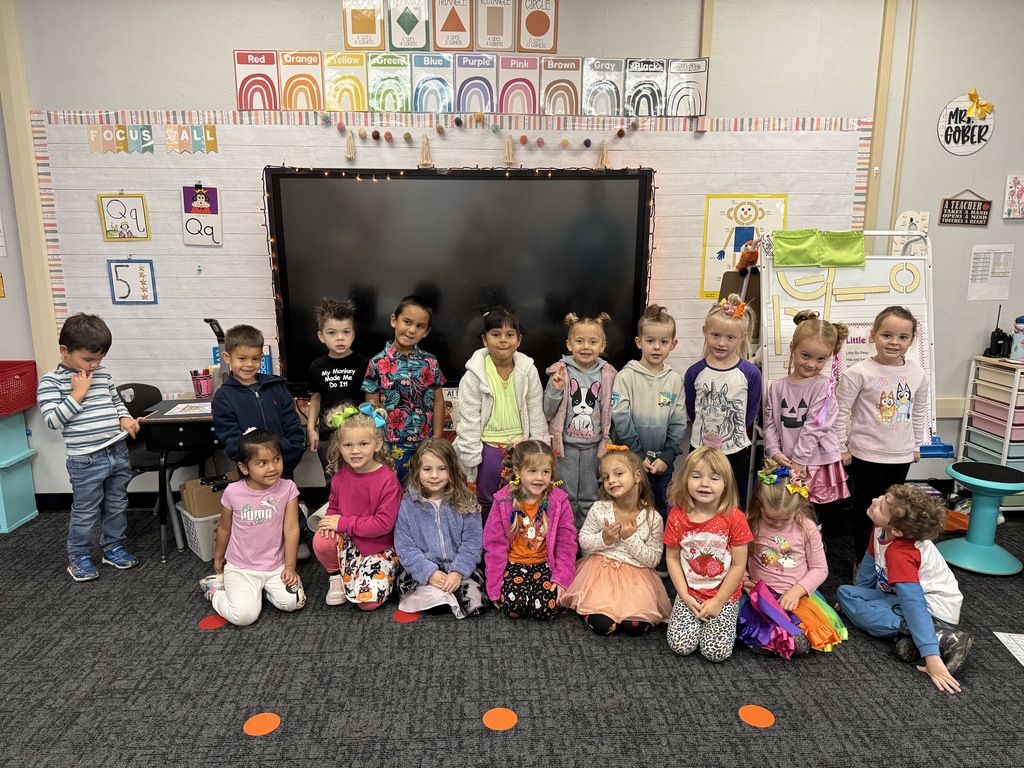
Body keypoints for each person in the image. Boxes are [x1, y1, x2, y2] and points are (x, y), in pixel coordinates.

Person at [837, 485, 972, 694]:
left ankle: (940, 638)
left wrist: (932, 657)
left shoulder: (902, 554)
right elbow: (868, 567)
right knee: (846, 593)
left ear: (897, 531)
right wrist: (859, 598)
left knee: (864, 613)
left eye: (880, 506)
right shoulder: (880, 528)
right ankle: (907, 639)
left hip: (932, 611)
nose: (874, 499)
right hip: (898, 598)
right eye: (882, 496)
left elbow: (914, 604)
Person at [38, 313, 141, 581]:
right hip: (85, 459)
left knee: (117, 504)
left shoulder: (102, 373)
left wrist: (125, 417)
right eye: (88, 359)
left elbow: (115, 401)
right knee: (85, 511)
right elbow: (52, 420)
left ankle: (113, 548)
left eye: (99, 359)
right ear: (65, 351)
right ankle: (79, 556)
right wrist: (77, 394)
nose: (94, 365)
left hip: (116, 451)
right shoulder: (51, 381)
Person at [835, 306, 929, 562]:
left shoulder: (917, 374)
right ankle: (863, 562)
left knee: (894, 511)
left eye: (902, 337)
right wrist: (842, 447)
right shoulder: (857, 373)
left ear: (911, 340)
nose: (894, 342)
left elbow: (918, 410)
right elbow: (840, 412)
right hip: (866, 454)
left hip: (900, 455)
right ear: (873, 335)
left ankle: (887, 561)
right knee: (868, 509)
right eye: (887, 335)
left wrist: (916, 445)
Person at [212, 323, 309, 556]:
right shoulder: (224, 397)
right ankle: (264, 545)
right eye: (242, 358)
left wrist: (286, 454)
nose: (249, 365)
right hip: (252, 468)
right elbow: (230, 438)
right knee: (256, 509)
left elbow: (293, 426)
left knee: (287, 501)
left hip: (281, 460)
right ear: (227, 357)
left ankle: (298, 537)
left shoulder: (276, 387)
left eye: (255, 359)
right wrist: (253, 465)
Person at [739, 459, 847, 657]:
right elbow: (737, 556)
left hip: (797, 597)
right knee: (739, 620)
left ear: (798, 508)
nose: (777, 523)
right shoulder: (750, 522)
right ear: (759, 504)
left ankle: (783, 639)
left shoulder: (807, 528)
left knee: (803, 631)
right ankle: (772, 639)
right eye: (771, 518)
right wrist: (744, 577)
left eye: (784, 519)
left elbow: (820, 569)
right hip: (759, 594)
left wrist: (797, 591)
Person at [198, 429, 306, 625]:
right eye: (262, 463)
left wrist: (290, 567)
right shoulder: (233, 492)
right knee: (244, 617)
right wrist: (219, 556)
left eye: (276, 459)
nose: (272, 468)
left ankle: (258, 592)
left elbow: (291, 529)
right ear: (244, 467)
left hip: (275, 565)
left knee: (295, 602)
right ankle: (215, 590)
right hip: (242, 567)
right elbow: (224, 528)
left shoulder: (288, 488)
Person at [560, 447, 671, 635]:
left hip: (637, 578)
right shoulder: (599, 508)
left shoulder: (653, 518)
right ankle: (598, 611)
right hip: (600, 572)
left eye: (618, 473)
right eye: (605, 477)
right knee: (604, 625)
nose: (611, 481)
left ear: (637, 476)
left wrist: (631, 538)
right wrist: (605, 538)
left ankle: (629, 615)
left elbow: (653, 560)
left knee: (634, 627)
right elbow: (584, 541)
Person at [454, 306, 548, 521]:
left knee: (520, 497)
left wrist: (539, 450)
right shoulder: (473, 376)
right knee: (486, 498)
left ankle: (516, 545)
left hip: (520, 447)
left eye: (509, 335)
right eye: (496, 335)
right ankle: (489, 545)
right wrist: (470, 457)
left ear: (519, 340)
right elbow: (469, 420)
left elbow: (535, 412)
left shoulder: (528, 371)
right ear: (485, 340)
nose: (503, 340)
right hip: (488, 447)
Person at [663, 447, 753, 662]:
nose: (704, 483)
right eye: (696, 476)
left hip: (724, 595)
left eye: (714, 478)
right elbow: (672, 558)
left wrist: (719, 601)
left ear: (726, 485)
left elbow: (739, 565)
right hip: (690, 593)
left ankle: (729, 617)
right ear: (685, 479)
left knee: (715, 654)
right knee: (681, 646)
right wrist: (684, 596)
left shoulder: (735, 517)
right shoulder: (677, 515)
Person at [313, 402, 402, 611]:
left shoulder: (387, 480)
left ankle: (389, 572)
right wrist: (331, 521)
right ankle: (335, 575)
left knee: (368, 605)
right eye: (348, 445)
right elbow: (334, 507)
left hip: (379, 546)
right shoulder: (340, 476)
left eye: (363, 444)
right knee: (321, 538)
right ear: (339, 447)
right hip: (349, 540)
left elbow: (383, 525)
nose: (355, 451)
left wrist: (342, 523)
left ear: (377, 445)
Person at [763, 310, 851, 520]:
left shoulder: (823, 387)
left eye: (821, 359)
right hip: (785, 460)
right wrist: (774, 450)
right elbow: (770, 424)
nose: (812, 364)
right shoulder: (776, 388)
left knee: (814, 516)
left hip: (815, 462)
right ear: (793, 348)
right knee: (787, 513)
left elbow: (815, 426)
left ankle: (813, 550)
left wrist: (800, 460)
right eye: (806, 356)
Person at [482, 440, 578, 620]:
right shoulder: (503, 501)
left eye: (545, 472)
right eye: (532, 471)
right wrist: (494, 586)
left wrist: (561, 578)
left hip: (545, 565)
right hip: (514, 565)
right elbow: (494, 545)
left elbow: (567, 542)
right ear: (517, 471)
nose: (539, 478)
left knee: (545, 610)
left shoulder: (559, 501)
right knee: (514, 608)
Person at [610, 304, 687, 525]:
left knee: (659, 509)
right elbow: (621, 418)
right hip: (629, 462)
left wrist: (667, 456)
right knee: (627, 507)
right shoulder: (626, 376)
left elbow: (679, 422)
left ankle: (658, 556)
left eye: (663, 342)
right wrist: (638, 454)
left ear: (673, 344)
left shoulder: (675, 380)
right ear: (638, 342)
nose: (656, 347)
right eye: (650, 341)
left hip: (661, 465)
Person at [394, 438, 487, 618]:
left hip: (459, 565)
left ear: (452, 469)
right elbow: (405, 547)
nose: (434, 475)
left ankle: (447, 596)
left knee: (474, 599)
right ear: (417, 471)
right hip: (425, 566)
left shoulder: (466, 501)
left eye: (442, 469)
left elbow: (473, 542)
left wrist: (458, 571)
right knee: (409, 584)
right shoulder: (407, 504)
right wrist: (429, 573)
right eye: (427, 469)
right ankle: (439, 598)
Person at [684, 295, 761, 504]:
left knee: (729, 499)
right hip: (700, 448)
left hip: (734, 450)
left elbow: (751, 411)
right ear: (705, 332)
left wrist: (734, 432)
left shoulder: (750, 373)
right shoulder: (694, 372)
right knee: (699, 496)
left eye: (730, 337)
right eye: (715, 335)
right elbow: (692, 409)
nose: (721, 343)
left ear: (742, 337)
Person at [544, 312, 617, 529]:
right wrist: (555, 389)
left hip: (594, 447)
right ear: (569, 344)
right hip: (564, 447)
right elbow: (547, 410)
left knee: (589, 495)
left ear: (602, 345)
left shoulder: (608, 374)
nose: (586, 346)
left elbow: (613, 409)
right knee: (564, 494)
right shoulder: (560, 371)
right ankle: (565, 539)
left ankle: (586, 541)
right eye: (580, 341)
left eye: (593, 342)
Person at [362, 295, 446, 483]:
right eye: (407, 322)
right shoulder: (377, 363)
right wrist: (376, 441)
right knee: (393, 492)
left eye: (419, 326)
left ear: (426, 331)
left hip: (425, 443)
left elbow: (438, 400)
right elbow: (371, 406)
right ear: (394, 320)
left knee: (425, 490)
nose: (411, 330)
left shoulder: (430, 362)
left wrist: (437, 438)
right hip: (391, 445)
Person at [306, 297, 368, 482]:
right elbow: (315, 400)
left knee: (361, 480)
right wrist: (311, 428)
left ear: (353, 335)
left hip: (358, 436)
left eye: (345, 332)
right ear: (321, 336)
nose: (340, 338)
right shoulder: (316, 366)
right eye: (332, 333)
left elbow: (370, 400)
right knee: (333, 482)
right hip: (327, 436)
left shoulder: (365, 363)